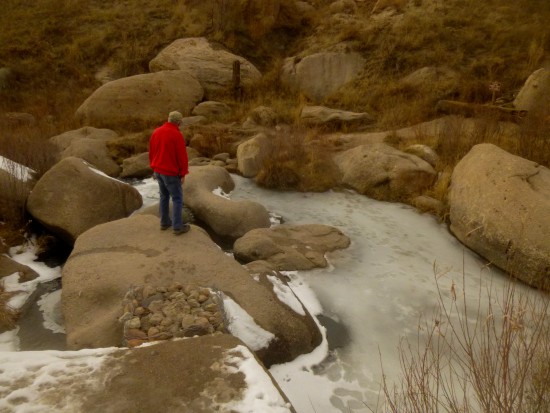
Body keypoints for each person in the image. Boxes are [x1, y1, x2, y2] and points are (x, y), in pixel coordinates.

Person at [149, 111, 190, 235]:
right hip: (171, 173)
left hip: (158, 170)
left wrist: (153, 167)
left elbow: (151, 152)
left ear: (168, 119)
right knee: (177, 198)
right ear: (178, 122)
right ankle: (177, 227)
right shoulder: (177, 135)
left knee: (164, 196)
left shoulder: (156, 132)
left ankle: (164, 222)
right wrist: (183, 173)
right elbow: (182, 157)